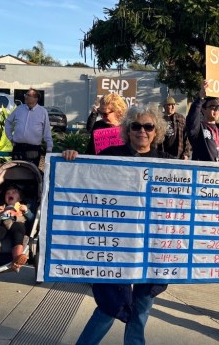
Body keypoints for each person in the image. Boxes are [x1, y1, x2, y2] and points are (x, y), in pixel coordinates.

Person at [63, 104, 172, 345]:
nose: (141, 131)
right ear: (127, 129)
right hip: (114, 246)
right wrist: (71, 159)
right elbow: (84, 179)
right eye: (136, 126)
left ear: (157, 131)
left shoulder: (168, 162)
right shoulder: (111, 154)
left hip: (151, 249)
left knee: (142, 308)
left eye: (148, 126)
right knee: (110, 306)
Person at [5, 88, 53, 167]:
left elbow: (47, 130)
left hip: (33, 150)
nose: (25, 97)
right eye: (26, 95)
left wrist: (49, 148)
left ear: (36, 98)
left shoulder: (42, 111)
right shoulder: (19, 109)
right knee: (16, 173)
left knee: (31, 175)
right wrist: (10, 137)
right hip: (18, 148)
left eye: (28, 95)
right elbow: (8, 121)